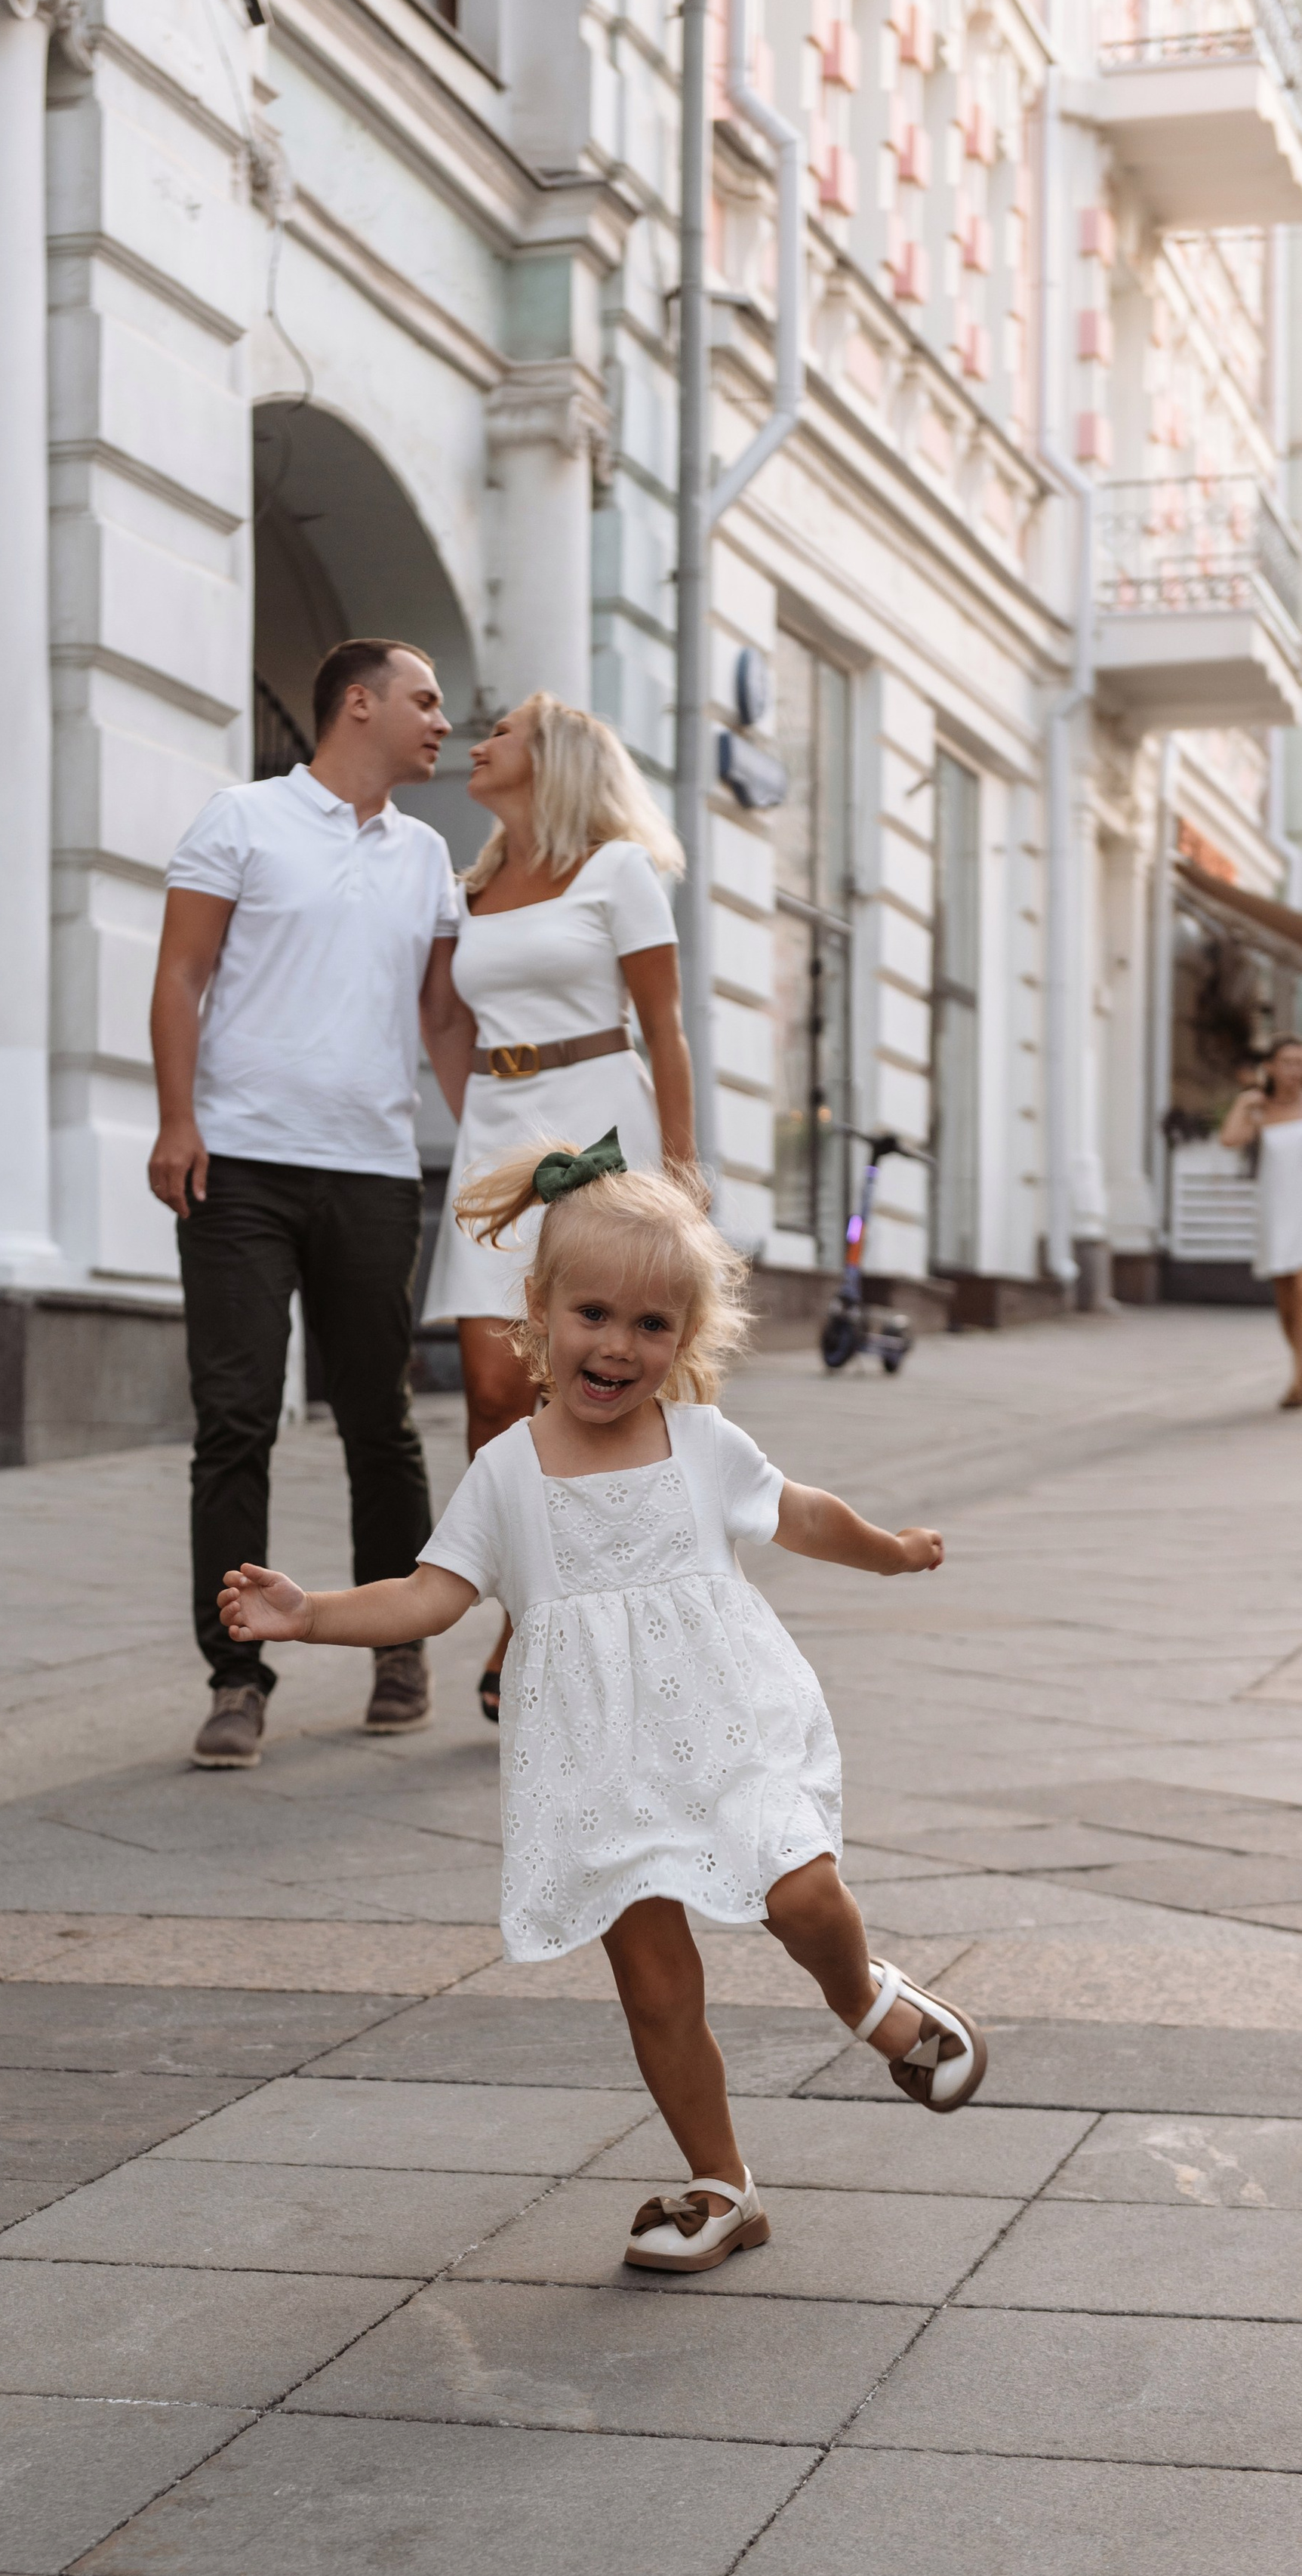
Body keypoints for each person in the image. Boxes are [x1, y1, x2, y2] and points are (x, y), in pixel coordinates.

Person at [220, 1132, 986, 2274]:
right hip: (598, 1768)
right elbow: (429, 1596)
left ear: (686, 1336)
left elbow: (801, 1514)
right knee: (656, 1989)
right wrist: (309, 1613)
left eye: (651, 1324)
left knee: (804, 1894)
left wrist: (889, 1550)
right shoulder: (507, 1470)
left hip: (726, 1728)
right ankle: (722, 2183)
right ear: (538, 1310)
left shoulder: (701, 1442)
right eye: (592, 1314)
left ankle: (866, 1999)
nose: (619, 1346)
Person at [149, 637, 476, 1769]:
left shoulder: (428, 856)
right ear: (358, 704)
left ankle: (399, 1648)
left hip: (374, 1172)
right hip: (238, 1166)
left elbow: (443, 1018)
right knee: (235, 1423)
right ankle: (237, 1675)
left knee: (380, 1421)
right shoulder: (241, 819)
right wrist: (176, 1119)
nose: (443, 721)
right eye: (424, 700)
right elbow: (181, 973)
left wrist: (494, 1146)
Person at [421, 692, 694, 1723]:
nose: (479, 743)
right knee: (491, 1390)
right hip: (499, 1134)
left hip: (599, 1125)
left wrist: (681, 1179)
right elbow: (445, 1018)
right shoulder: (473, 884)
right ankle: (533, 1592)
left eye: (502, 735)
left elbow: (665, 1030)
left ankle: (542, 1624)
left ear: (556, 761)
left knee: (592, 1377)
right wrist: (483, 1132)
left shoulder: (618, 871)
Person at [1220, 1034, 1302, 1407]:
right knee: (1287, 1303)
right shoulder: (1261, 1109)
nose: (1295, 1070)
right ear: (1270, 1067)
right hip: (1278, 1209)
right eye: (1288, 1062)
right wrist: (1243, 1102)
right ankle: (1298, 1366)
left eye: (1300, 1063)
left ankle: (1300, 1378)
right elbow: (1230, 1139)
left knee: (1301, 1290)